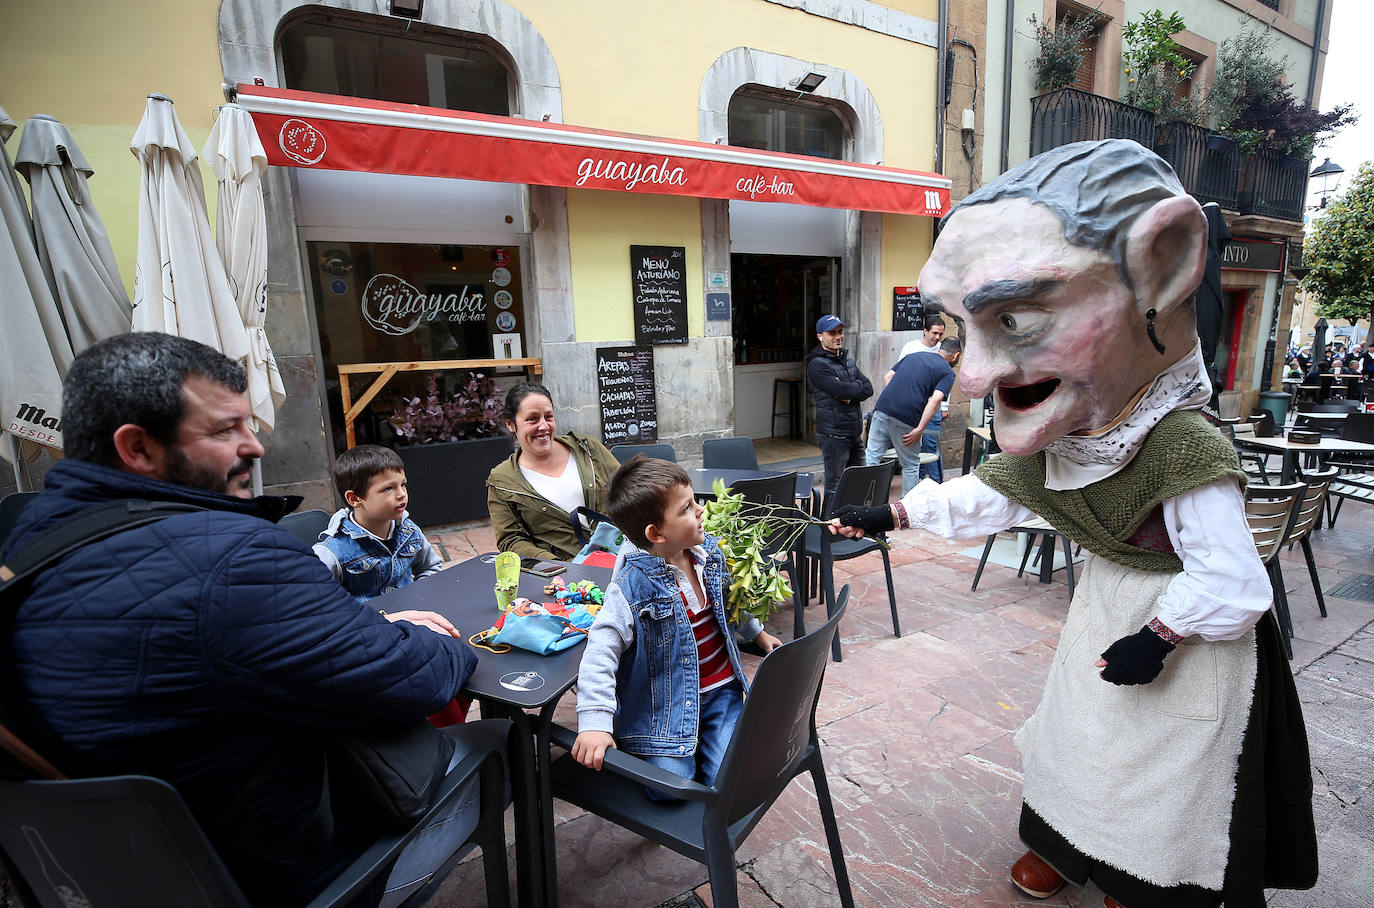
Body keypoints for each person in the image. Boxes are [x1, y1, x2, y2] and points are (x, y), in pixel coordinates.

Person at [833, 140, 1315, 908]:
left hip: (1189, 634)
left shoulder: (1182, 445)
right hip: (1103, 607)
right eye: (962, 329)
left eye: (1017, 317)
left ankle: (1140, 872)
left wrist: (1161, 637)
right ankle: (1063, 845)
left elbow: (1233, 578)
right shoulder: (1075, 437)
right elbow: (1001, 492)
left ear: (1163, 268)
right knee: (1080, 738)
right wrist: (894, 510)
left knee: (1157, 759)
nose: (975, 376)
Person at [2, 332, 503, 907]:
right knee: (504, 741)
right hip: (287, 870)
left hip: (121, 872)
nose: (255, 446)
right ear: (138, 448)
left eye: (247, 424)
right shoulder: (235, 558)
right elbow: (407, 678)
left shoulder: (27, 541)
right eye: (223, 430)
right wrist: (441, 640)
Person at [570, 456, 780, 793]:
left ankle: (703, 744)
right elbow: (599, 652)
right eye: (686, 508)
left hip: (722, 693)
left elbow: (729, 601)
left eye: (695, 500)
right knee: (669, 790)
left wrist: (757, 633)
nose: (700, 510)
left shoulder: (710, 554)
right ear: (656, 533)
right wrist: (594, 723)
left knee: (726, 783)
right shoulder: (630, 588)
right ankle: (663, 746)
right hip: (665, 708)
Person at [486, 381, 622, 561]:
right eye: (532, 419)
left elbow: (627, 489)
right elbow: (510, 539)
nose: (543, 426)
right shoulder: (502, 481)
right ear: (511, 424)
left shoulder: (588, 450)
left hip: (621, 558)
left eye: (548, 417)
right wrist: (556, 566)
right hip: (567, 577)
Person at [314, 444, 443, 602]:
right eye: (389, 488)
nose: (402, 494)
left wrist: (420, 598)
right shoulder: (331, 552)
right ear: (355, 499)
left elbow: (431, 567)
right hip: (368, 624)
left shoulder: (409, 530)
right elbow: (317, 600)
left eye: (403, 484)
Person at [865, 337, 962, 493]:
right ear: (956, 355)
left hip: (881, 409)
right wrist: (920, 429)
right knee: (910, 464)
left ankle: (866, 499)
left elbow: (887, 377)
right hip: (906, 418)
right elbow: (935, 400)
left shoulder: (913, 356)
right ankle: (907, 508)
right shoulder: (947, 372)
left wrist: (897, 398)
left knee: (872, 458)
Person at [805, 314, 873, 505]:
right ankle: (828, 530)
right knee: (834, 486)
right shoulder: (817, 365)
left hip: (854, 434)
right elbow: (841, 389)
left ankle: (855, 526)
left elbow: (868, 388)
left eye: (840, 332)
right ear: (820, 336)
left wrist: (849, 393)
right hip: (834, 436)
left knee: (860, 483)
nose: (838, 336)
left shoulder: (847, 360)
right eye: (832, 333)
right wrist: (848, 389)